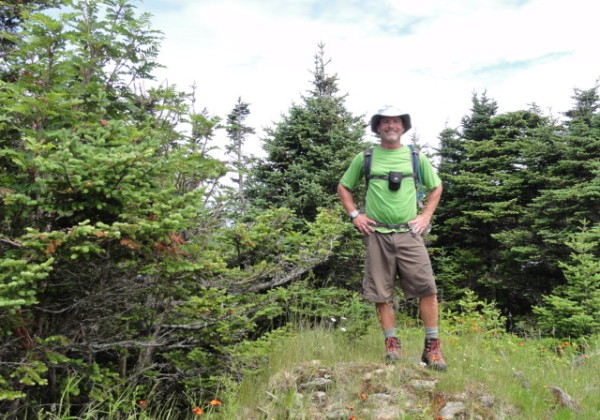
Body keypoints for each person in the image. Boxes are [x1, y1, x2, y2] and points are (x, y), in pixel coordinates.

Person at [337, 105, 447, 370]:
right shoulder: (365, 158)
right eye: (385, 122)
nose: (391, 125)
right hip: (377, 234)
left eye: (396, 121)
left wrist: (425, 216)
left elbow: (436, 186)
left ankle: (432, 349)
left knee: (427, 289)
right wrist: (355, 215)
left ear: (403, 127)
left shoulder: (415, 158)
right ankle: (392, 345)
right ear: (377, 127)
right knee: (381, 293)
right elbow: (343, 187)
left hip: (409, 233)